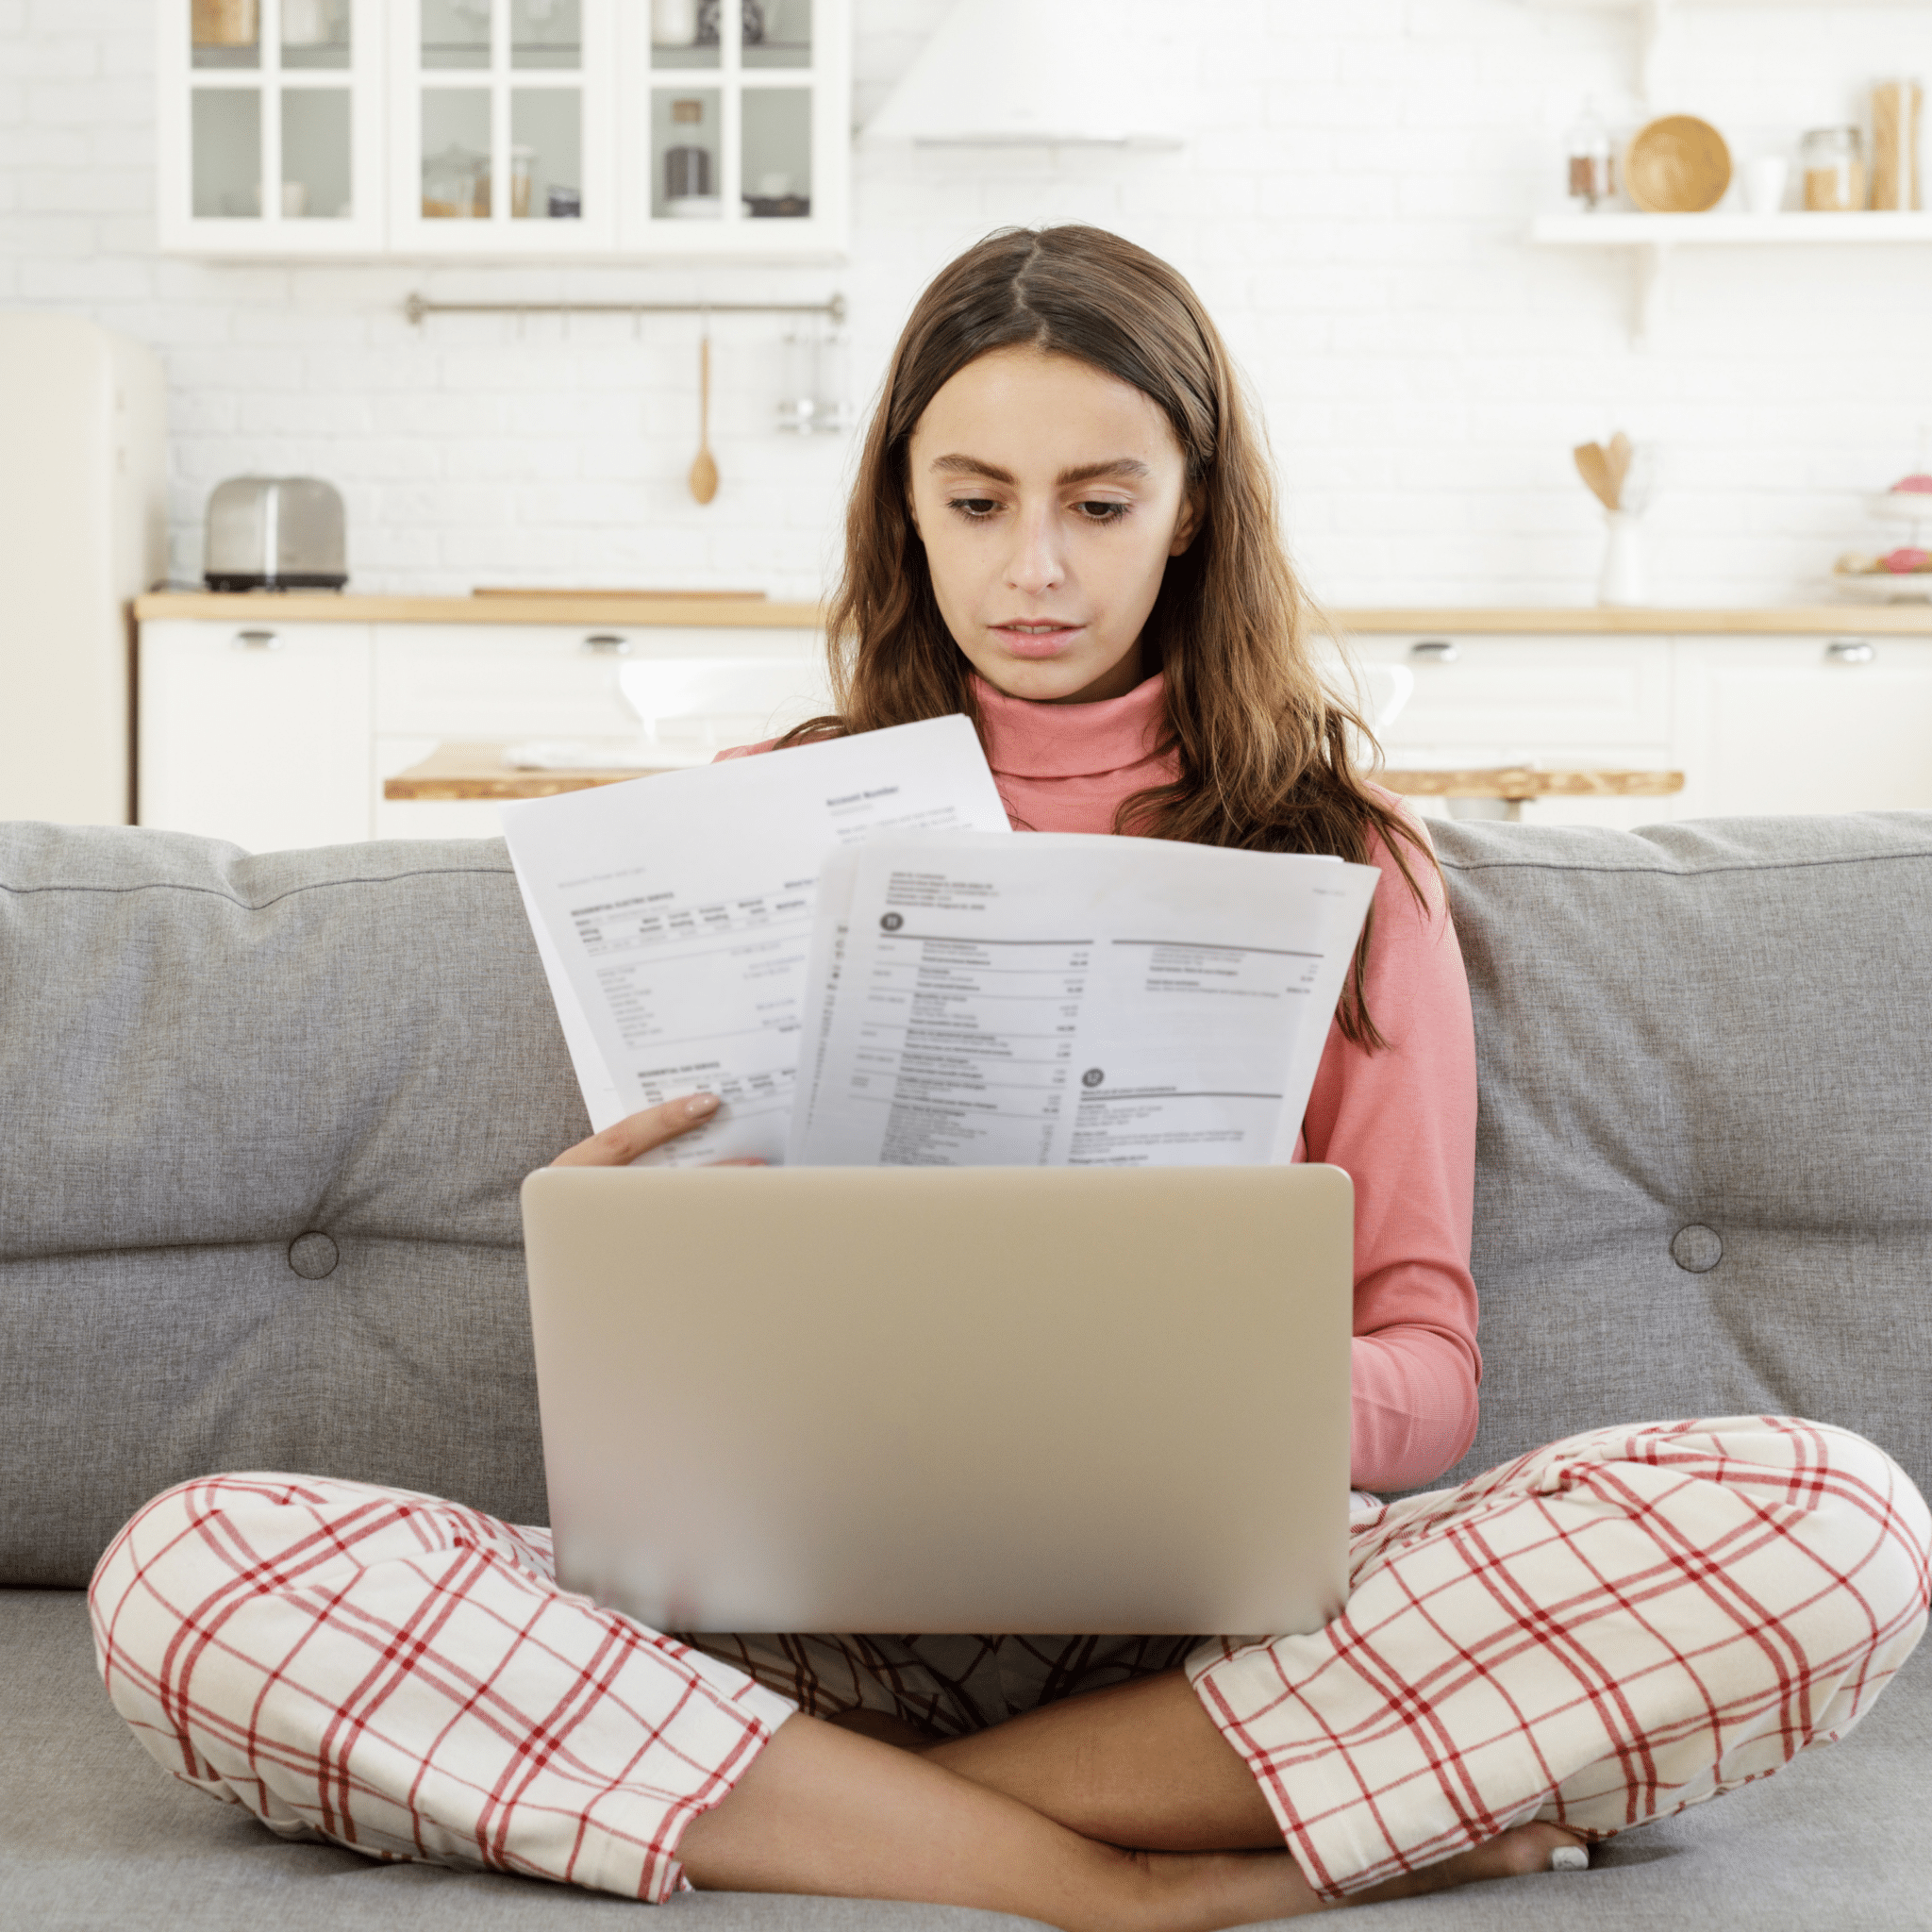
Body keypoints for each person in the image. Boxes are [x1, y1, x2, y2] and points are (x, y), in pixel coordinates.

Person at [91, 227, 1930, 1930]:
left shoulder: (1344, 856)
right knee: (194, 1573)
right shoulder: (760, 813)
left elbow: (1429, 1369)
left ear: (1192, 511)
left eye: (1099, 503)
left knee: (1834, 1525)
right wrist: (606, 1250)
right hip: (812, 1614)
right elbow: (678, 1374)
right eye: (974, 502)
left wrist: (1205, 1389)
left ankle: (860, 1819)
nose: (1032, 566)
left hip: (1221, 1636)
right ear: (904, 506)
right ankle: (1128, 1872)